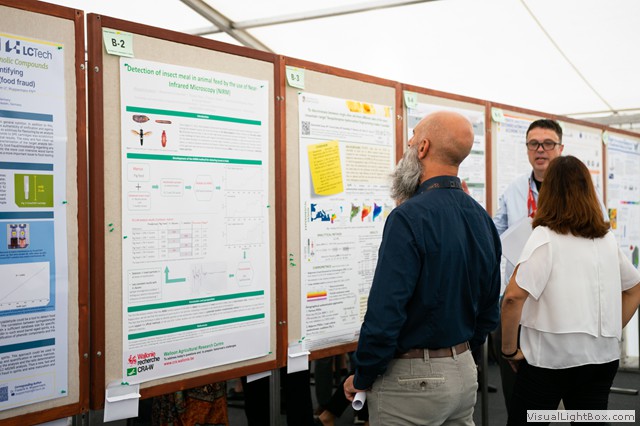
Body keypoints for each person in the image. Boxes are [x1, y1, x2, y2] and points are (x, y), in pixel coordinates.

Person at [343, 111, 502, 425]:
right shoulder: (481, 218)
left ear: (423, 147)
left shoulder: (407, 218)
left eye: (412, 137)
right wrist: (460, 353)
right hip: (463, 373)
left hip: (411, 382)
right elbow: (489, 309)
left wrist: (363, 374)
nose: (409, 143)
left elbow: (386, 312)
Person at [500, 155, 640, 425]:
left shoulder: (544, 237)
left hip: (549, 360)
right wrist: (611, 329)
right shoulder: (606, 239)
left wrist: (509, 350)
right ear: (589, 191)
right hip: (601, 358)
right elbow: (635, 288)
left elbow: (513, 298)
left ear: (549, 192)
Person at [491, 118, 564, 412]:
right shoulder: (515, 189)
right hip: (520, 300)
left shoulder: (576, 189)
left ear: (560, 148)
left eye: (548, 143)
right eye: (534, 144)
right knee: (518, 391)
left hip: (560, 301)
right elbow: (496, 234)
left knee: (559, 391)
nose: (540, 150)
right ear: (527, 149)